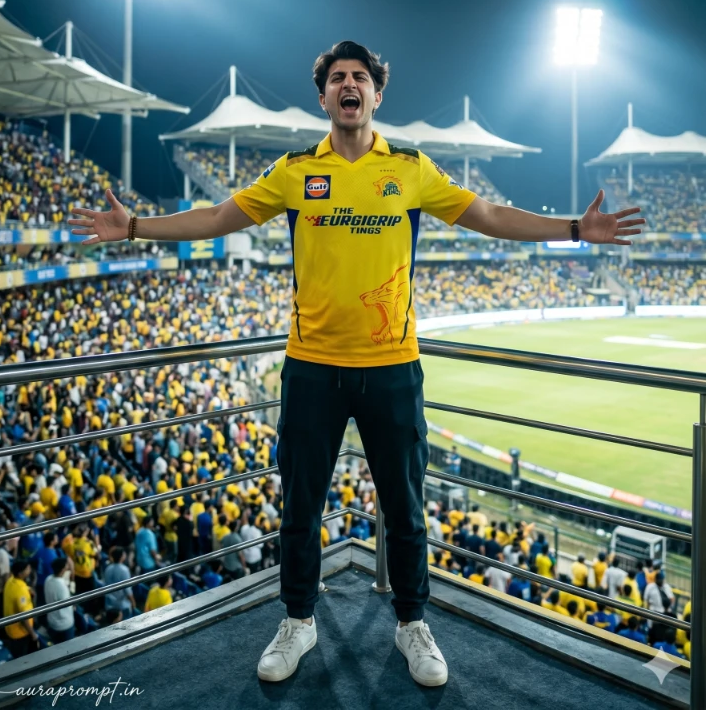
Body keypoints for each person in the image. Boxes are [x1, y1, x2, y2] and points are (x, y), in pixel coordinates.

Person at [70, 39, 644, 687]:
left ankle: (412, 624)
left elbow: (485, 215)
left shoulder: (409, 167)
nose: (350, 85)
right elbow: (219, 217)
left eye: (360, 77)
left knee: (404, 507)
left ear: (376, 95)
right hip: (309, 367)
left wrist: (572, 229)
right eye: (338, 77)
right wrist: (137, 227)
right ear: (324, 98)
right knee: (299, 509)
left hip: (392, 367)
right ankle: (297, 620)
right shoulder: (294, 171)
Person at [3, 559, 39, 658]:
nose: (30, 570)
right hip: (20, 633)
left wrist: (28, 589)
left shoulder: (11, 581)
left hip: (9, 629)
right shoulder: (21, 591)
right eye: (27, 569)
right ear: (20, 573)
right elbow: (24, 617)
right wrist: (33, 634)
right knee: (23, 656)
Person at [43, 557, 76, 644]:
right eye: (66, 567)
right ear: (62, 570)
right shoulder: (62, 587)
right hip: (64, 625)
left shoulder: (48, 579)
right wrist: (72, 580)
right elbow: (71, 604)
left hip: (52, 622)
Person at [103, 547, 136, 621]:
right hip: (122, 605)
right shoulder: (124, 570)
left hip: (110, 604)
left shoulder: (107, 569)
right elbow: (127, 590)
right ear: (121, 556)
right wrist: (133, 602)